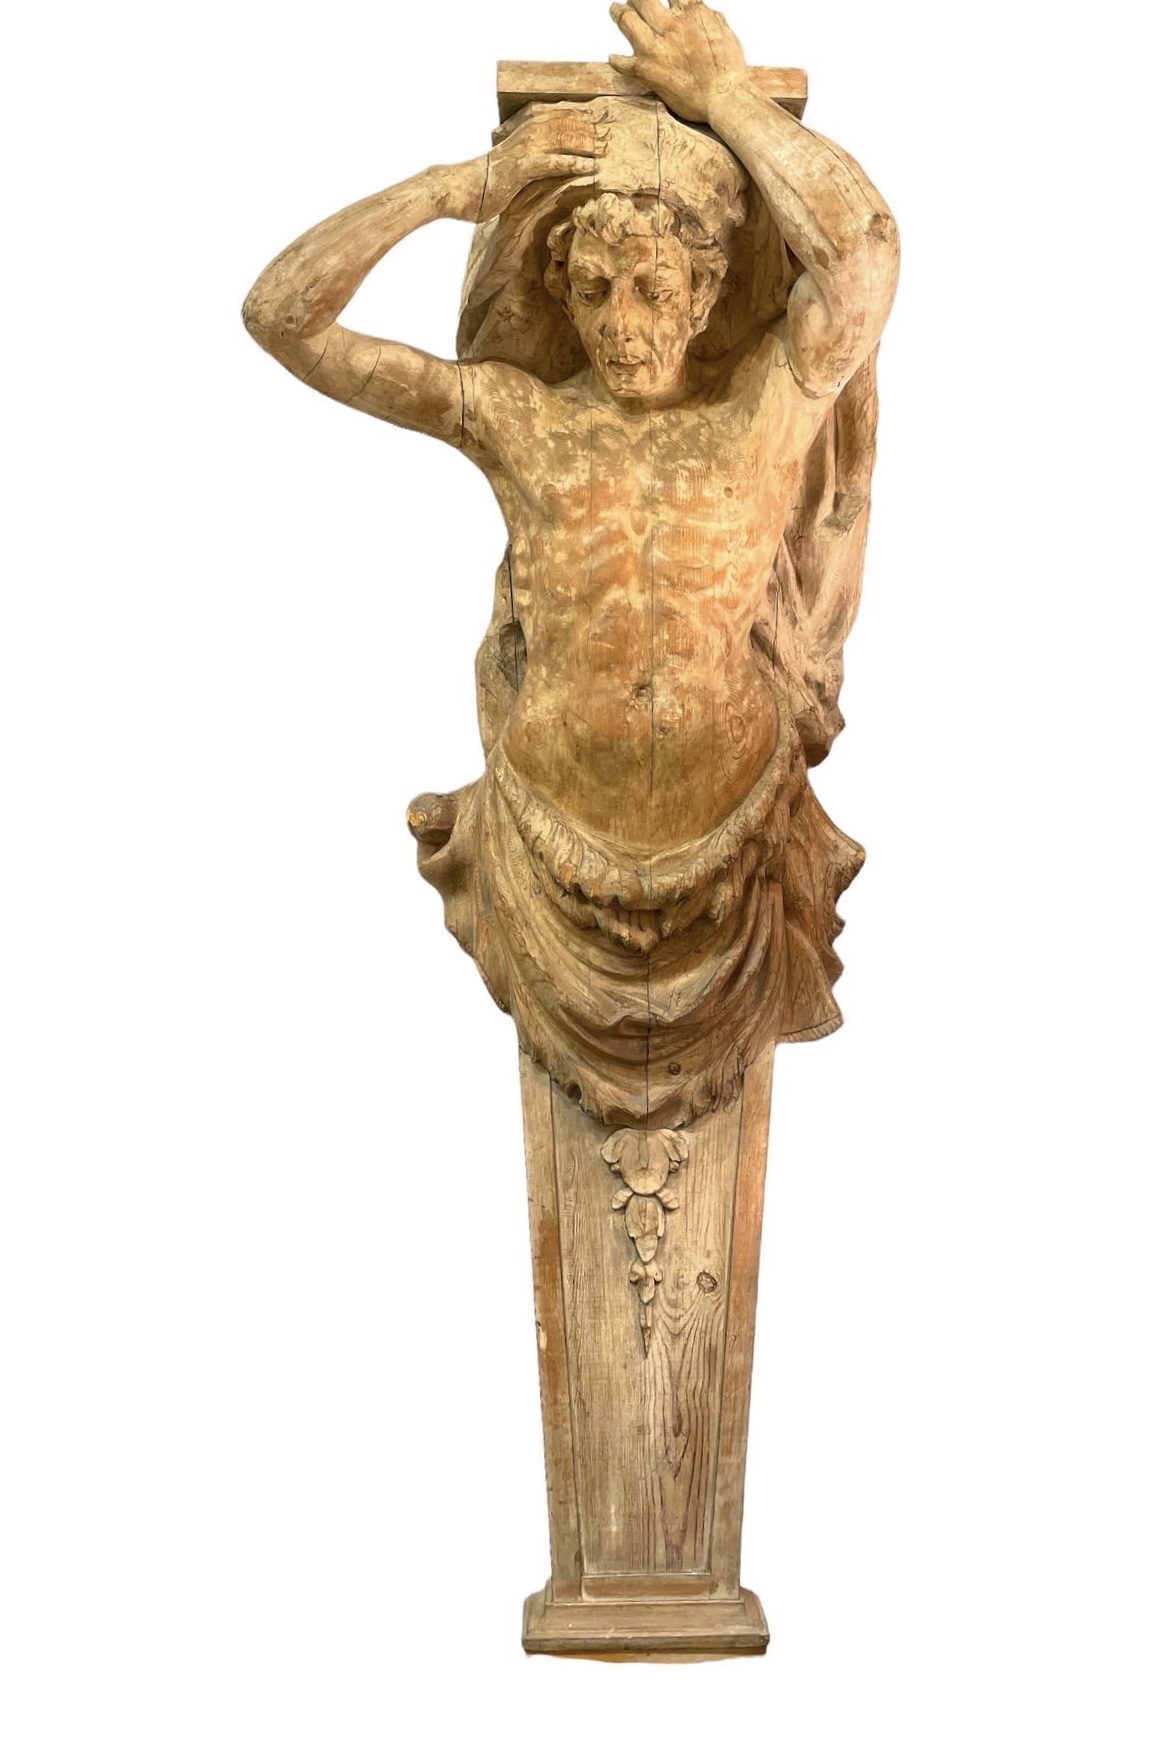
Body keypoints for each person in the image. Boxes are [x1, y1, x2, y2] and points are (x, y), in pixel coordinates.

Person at [243, 0, 900, 1126]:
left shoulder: (764, 410)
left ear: (704, 294)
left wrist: (727, 99)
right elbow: (281, 316)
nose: (621, 322)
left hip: (740, 841)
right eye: (592, 290)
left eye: (652, 289)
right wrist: (459, 189)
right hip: (547, 837)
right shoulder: (520, 418)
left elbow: (864, 258)